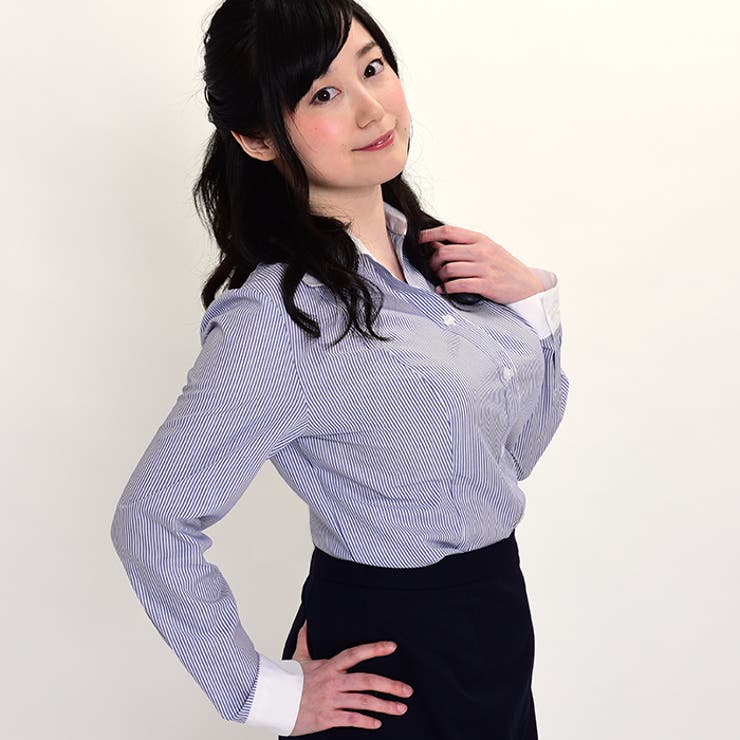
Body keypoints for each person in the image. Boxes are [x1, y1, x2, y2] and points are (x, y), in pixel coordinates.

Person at [110, 0, 570, 737]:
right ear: (258, 138)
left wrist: (534, 307)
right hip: (387, 656)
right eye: (324, 93)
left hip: (495, 629)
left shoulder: (438, 263)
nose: (370, 108)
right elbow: (151, 519)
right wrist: (265, 694)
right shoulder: (279, 319)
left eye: (372, 68)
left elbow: (506, 461)